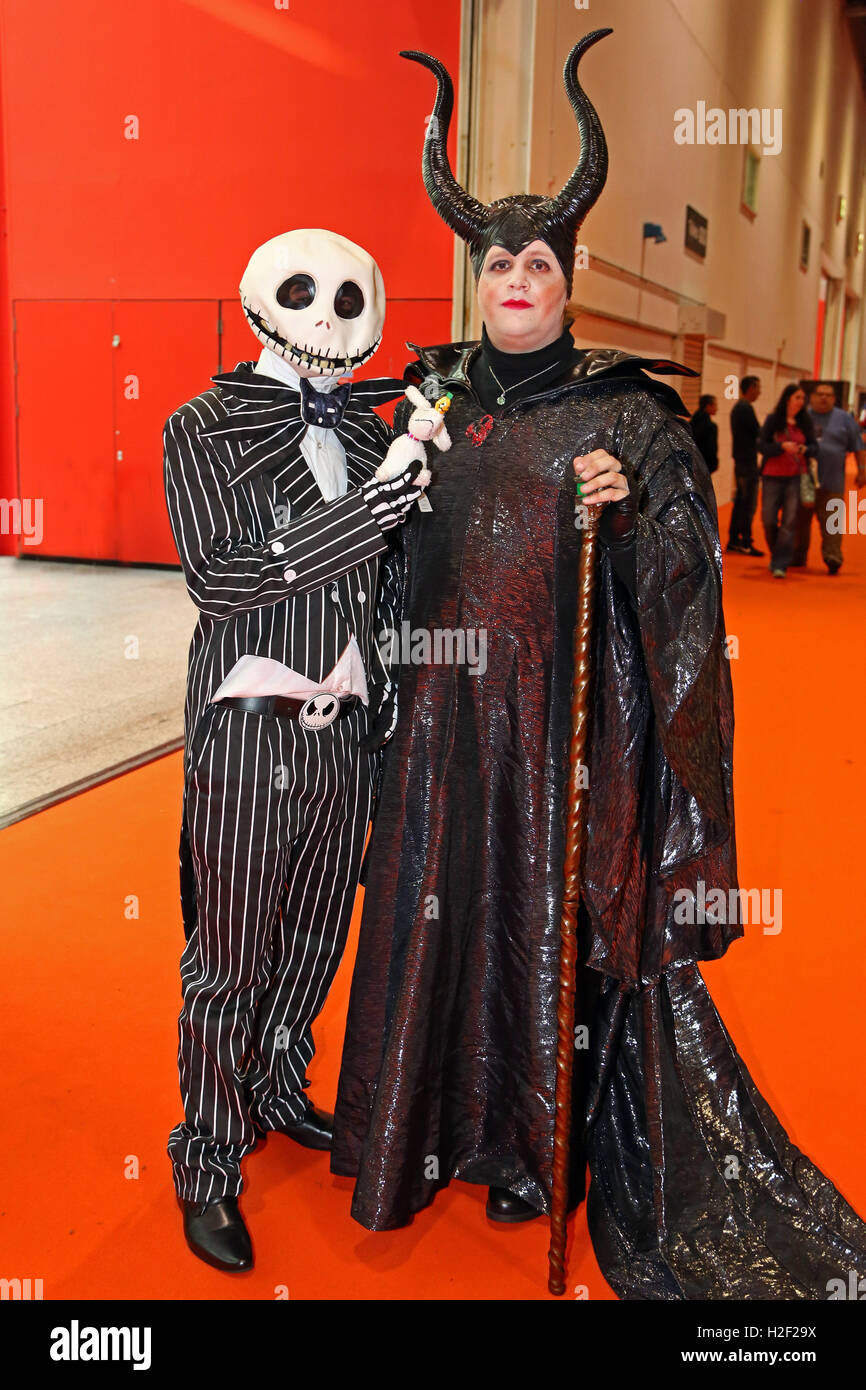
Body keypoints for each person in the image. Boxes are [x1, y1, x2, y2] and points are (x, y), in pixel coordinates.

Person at [331, 32, 866, 1299]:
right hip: (434, 730)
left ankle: (530, 1143)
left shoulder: (627, 412)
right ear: (472, 280)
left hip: (556, 736)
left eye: (534, 260)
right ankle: (419, 1129)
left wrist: (632, 517)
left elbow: (681, 602)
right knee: (430, 905)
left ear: (564, 277)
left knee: (542, 926)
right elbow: (366, 552)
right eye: (493, 261)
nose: (513, 276)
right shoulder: (425, 398)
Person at [162, 228, 427, 1272]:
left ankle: (276, 1087)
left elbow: (395, 593)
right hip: (245, 733)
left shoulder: (373, 440)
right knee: (227, 958)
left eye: (349, 297)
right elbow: (223, 577)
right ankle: (207, 1161)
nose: (325, 314)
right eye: (303, 291)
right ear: (254, 299)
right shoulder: (206, 425)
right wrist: (374, 508)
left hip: (344, 737)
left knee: (315, 940)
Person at [791, 382, 866, 573]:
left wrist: (862, 469)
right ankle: (797, 556)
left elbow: (858, 446)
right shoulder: (801, 416)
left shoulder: (844, 420)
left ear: (834, 399)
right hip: (803, 480)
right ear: (812, 396)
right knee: (800, 521)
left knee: (833, 523)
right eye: (820, 394)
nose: (824, 398)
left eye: (829, 395)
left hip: (833, 481)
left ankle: (832, 557)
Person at [758, 383, 818, 577]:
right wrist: (782, 446)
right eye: (798, 397)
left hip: (795, 477)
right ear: (788, 399)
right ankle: (778, 553)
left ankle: (780, 564)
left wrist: (804, 449)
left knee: (789, 521)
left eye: (803, 398)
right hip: (772, 476)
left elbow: (815, 447)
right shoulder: (773, 420)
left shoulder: (805, 422)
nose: (802, 401)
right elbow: (762, 446)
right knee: (768, 519)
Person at [726, 375, 764, 555]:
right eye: (758, 388)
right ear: (750, 388)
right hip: (747, 463)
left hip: (741, 461)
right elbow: (758, 433)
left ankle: (734, 540)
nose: (760, 392)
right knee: (748, 504)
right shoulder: (745, 408)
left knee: (740, 502)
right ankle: (745, 541)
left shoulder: (738, 408)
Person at [689, 394, 718, 475]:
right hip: (706, 465)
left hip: (692, 464)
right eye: (715, 405)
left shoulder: (691, 424)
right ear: (708, 406)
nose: (717, 409)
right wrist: (713, 464)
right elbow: (711, 448)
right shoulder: (711, 427)